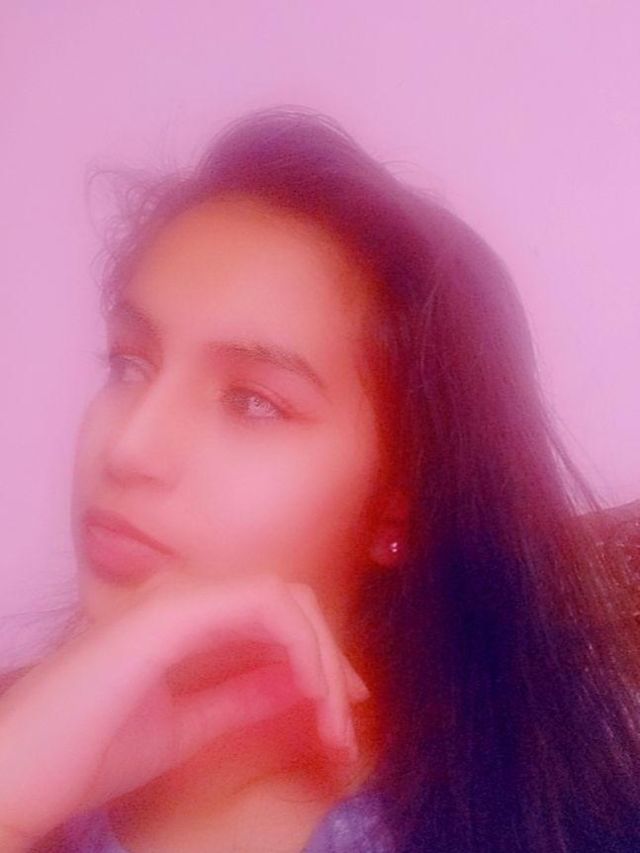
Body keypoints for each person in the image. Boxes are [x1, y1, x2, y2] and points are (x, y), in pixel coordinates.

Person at [1, 105, 640, 853]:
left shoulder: (541, 807)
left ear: (394, 511)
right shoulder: (25, 729)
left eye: (253, 401)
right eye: (128, 364)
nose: (128, 448)